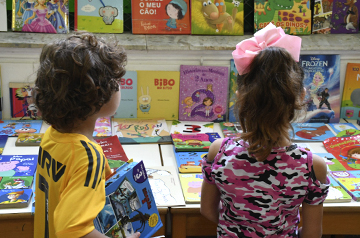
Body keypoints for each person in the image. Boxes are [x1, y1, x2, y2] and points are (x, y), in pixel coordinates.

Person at [200, 23, 330, 238]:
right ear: (300, 96)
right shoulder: (312, 166)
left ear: (240, 94)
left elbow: (207, 210)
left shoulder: (219, 151)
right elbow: (312, 232)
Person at [33, 33, 140, 238]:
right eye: (116, 82)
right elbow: (73, 231)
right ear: (97, 94)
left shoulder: (51, 135)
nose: (120, 87)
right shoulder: (88, 157)